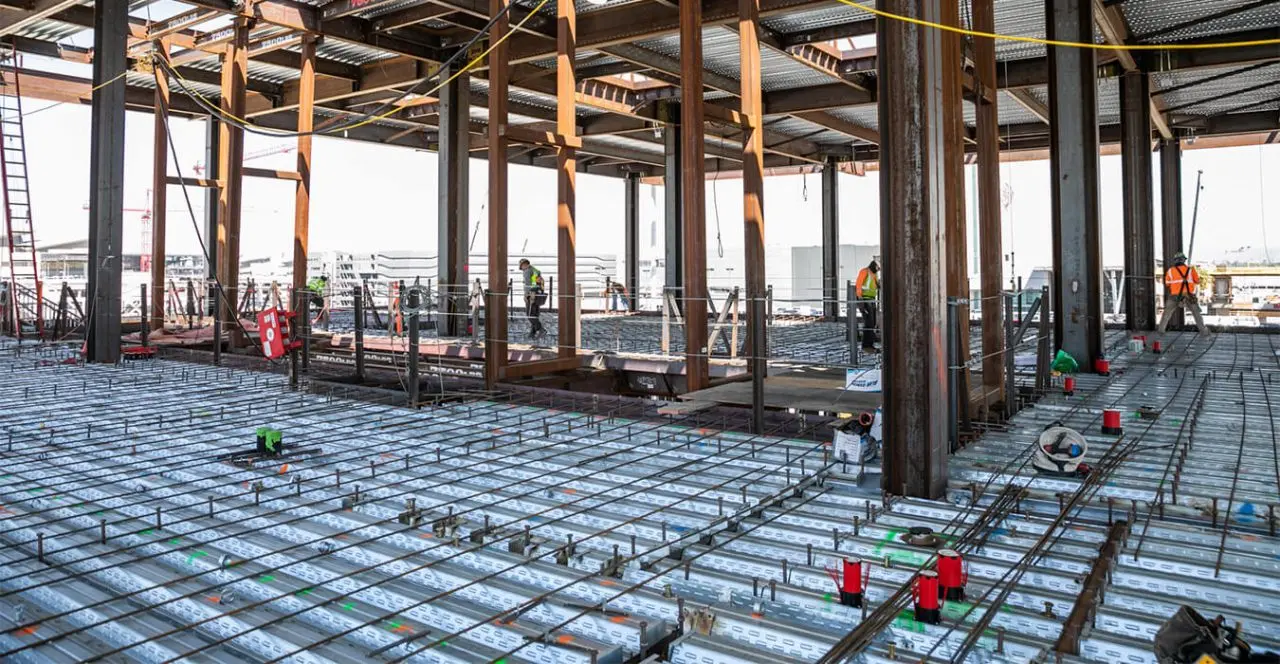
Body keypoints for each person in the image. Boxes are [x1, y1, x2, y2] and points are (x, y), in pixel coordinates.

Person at [1157, 252, 1209, 335]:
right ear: (1184, 260)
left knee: (1166, 314)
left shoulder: (1170, 271)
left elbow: (1167, 283)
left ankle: (1160, 331)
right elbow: (1197, 281)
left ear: (1175, 261)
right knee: (1196, 314)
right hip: (1188, 295)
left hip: (1174, 296)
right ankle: (1204, 332)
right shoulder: (1191, 270)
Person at [855, 259, 880, 352]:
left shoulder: (874, 274)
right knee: (868, 323)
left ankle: (870, 345)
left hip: (872, 300)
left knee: (872, 323)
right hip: (864, 300)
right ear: (874, 265)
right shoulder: (864, 272)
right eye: (878, 268)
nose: (878, 270)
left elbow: (876, 286)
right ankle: (866, 346)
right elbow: (858, 285)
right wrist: (861, 301)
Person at [519, 259, 546, 339]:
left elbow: (528, 284)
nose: (522, 268)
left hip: (531, 295)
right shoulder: (535, 271)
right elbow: (539, 283)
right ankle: (532, 333)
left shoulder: (527, 271)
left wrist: (526, 295)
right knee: (534, 314)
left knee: (530, 314)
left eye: (522, 266)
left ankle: (541, 329)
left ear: (525, 265)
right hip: (537, 295)